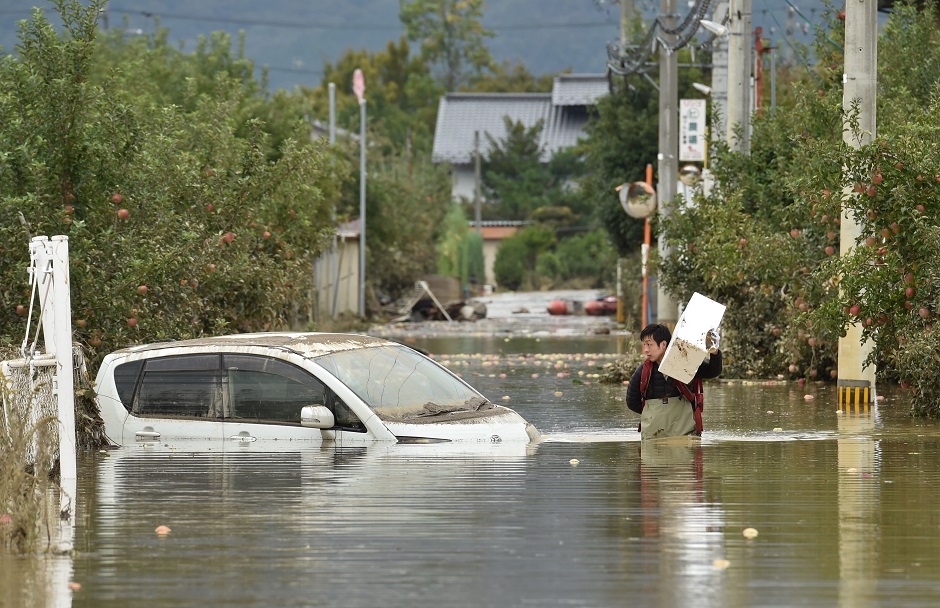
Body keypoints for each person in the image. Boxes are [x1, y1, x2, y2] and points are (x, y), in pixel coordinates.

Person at [625, 323, 722, 440]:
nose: (645, 350)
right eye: (644, 345)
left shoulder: (685, 363)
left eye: (649, 345)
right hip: (653, 435)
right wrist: (652, 414)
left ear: (663, 344)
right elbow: (631, 401)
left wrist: (715, 352)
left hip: (685, 432)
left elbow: (713, 371)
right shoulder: (643, 371)